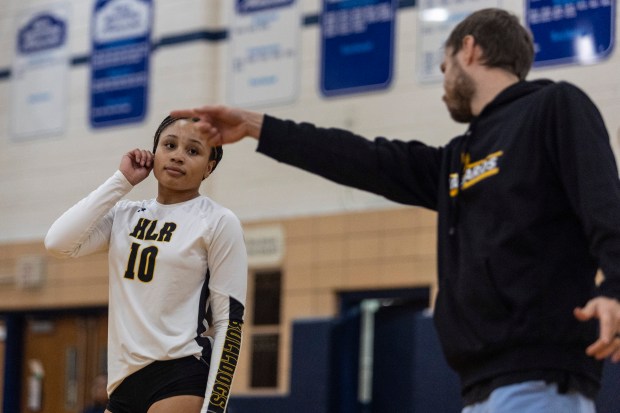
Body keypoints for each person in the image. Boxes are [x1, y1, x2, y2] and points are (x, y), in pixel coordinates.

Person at [171, 7, 620, 413]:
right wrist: (255, 127)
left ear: (469, 49)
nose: (444, 87)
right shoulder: (457, 159)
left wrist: (616, 289)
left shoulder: (554, 106)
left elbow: (607, 204)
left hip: (539, 379)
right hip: (480, 388)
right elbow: (363, 158)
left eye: (444, 68)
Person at [45, 116, 247, 413]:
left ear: (209, 167)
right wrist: (121, 181)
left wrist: (215, 408)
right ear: (154, 154)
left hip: (180, 372)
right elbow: (58, 243)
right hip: (123, 380)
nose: (178, 154)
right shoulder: (125, 215)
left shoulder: (218, 221)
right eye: (169, 145)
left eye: (193, 151)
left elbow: (230, 322)